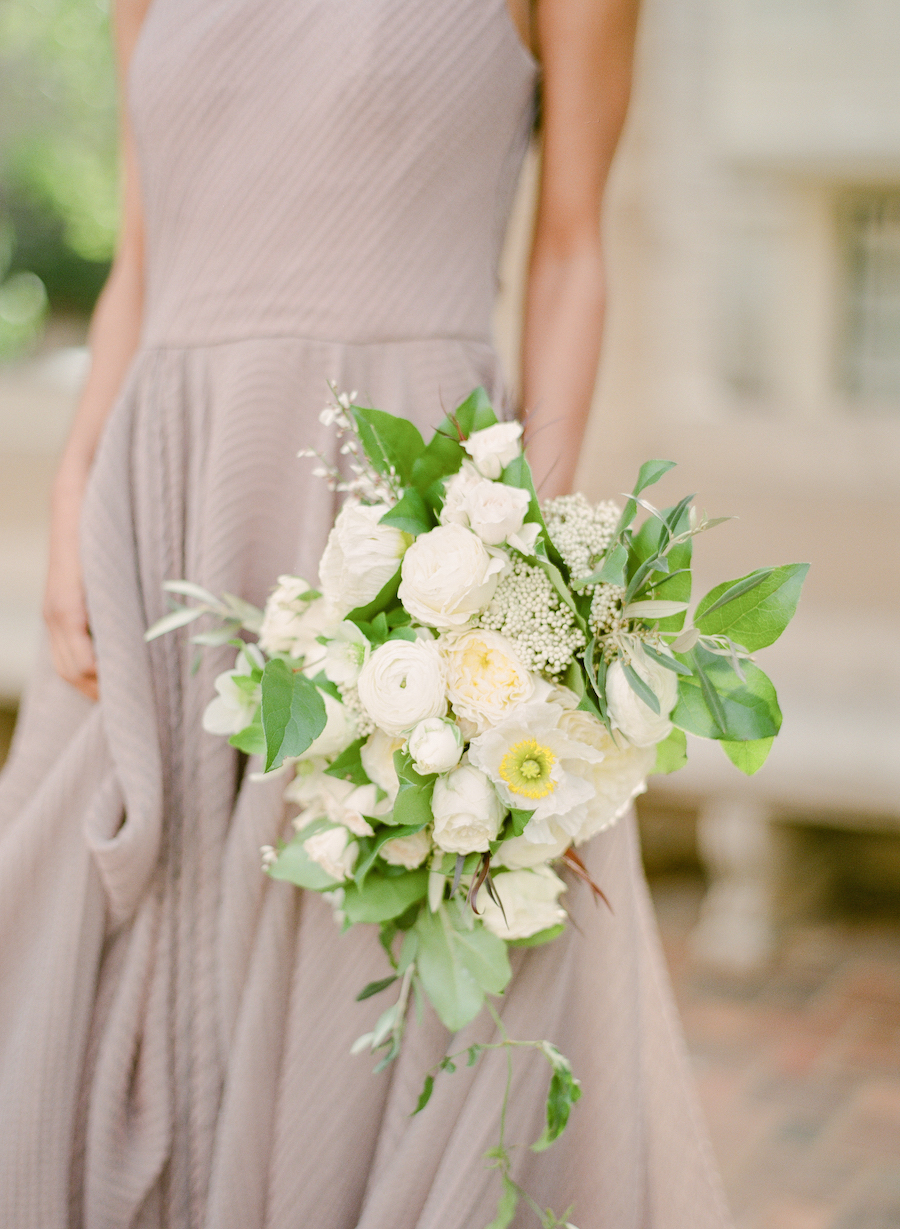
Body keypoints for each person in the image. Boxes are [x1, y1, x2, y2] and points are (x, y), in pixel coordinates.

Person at [0, 2, 732, 1226]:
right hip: (172, 492)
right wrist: (77, 484)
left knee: (375, 987)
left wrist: (521, 579)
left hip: (409, 515)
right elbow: (145, 254)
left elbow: (569, 252)